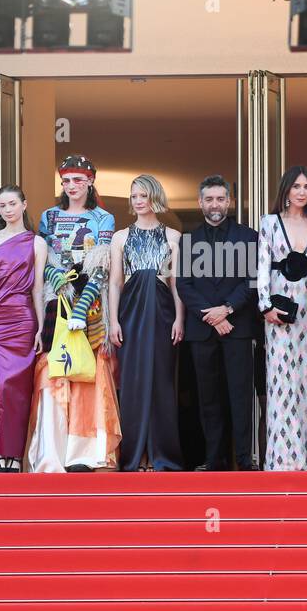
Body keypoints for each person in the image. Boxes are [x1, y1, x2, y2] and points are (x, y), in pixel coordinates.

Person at [27, 155, 121, 472]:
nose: (71, 186)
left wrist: (81, 304)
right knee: (56, 371)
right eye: (66, 181)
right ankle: (54, 450)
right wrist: (57, 283)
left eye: (78, 180)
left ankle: (86, 451)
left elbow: (102, 268)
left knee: (89, 373)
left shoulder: (104, 218)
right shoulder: (49, 217)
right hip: (56, 301)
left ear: (90, 181)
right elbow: (44, 262)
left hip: (91, 303)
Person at [176, 175, 259, 472]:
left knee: (240, 395)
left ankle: (245, 460)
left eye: (220, 199)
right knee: (208, 397)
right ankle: (215, 460)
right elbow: (184, 285)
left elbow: (252, 282)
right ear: (200, 203)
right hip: (202, 330)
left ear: (229, 202)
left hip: (237, 326)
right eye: (209, 199)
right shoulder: (188, 241)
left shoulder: (248, 237)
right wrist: (210, 316)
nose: (215, 204)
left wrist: (226, 310)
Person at [109, 175, 185, 471]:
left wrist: (180, 317)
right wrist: (113, 320)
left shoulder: (174, 237)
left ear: (155, 198)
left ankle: (160, 456)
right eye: (134, 196)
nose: (138, 201)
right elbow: (115, 283)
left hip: (163, 311)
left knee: (162, 383)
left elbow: (177, 283)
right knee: (132, 384)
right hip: (130, 313)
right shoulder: (120, 237)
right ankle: (135, 455)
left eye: (143, 195)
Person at [0, 185, 45, 472]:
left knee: (19, 389)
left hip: (24, 319)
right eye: (2, 205)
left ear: (24, 205)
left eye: (12, 204)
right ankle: (0, 452)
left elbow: (38, 289)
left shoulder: (37, 243)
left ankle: (17, 455)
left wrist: (40, 328)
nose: (7, 210)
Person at [257, 165, 307, 472]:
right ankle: (283, 460)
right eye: (296, 186)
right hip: (278, 312)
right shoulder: (269, 223)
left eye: (306, 187)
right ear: (285, 190)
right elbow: (262, 266)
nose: (301, 192)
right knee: (281, 383)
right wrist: (265, 306)